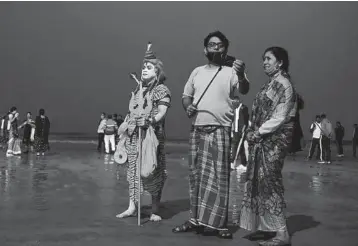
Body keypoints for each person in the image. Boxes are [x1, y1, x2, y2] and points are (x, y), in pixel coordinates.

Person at [172, 31, 249, 239]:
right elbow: (186, 96)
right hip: (198, 129)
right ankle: (195, 220)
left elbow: (244, 89)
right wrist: (188, 108)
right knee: (196, 178)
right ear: (205, 49)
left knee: (220, 177)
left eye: (220, 45)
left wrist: (241, 74)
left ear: (225, 49)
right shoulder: (196, 72)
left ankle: (220, 224)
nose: (216, 48)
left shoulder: (232, 71)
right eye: (212, 45)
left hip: (220, 129)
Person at [239, 47, 296, 246]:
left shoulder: (284, 85)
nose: (264, 62)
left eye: (269, 59)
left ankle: (282, 233)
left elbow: (279, 117)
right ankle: (266, 227)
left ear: (280, 62)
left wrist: (258, 132)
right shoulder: (269, 85)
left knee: (270, 184)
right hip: (261, 141)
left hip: (273, 142)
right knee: (259, 183)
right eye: (263, 58)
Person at [115, 42, 171, 222]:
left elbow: (162, 113)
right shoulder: (138, 90)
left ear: (157, 72)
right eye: (143, 68)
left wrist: (149, 120)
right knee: (133, 171)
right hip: (133, 136)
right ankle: (132, 206)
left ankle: (155, 209)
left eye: (149, 68)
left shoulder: (161, 90)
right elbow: (132, 111)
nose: (144, 70)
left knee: (152, 171)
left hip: (151, 136)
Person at [230, 97, 249, 171]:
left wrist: (245, 127)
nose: (234, 102)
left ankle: (243, 164)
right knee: (234, 145)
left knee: (241, 146)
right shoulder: (234, 109)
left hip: (242, 130)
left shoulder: (244, 108)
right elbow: (233, 119)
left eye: (235, 101)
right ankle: (233, 163)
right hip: (235, 129)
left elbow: (246, 118)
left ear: (238, 101)